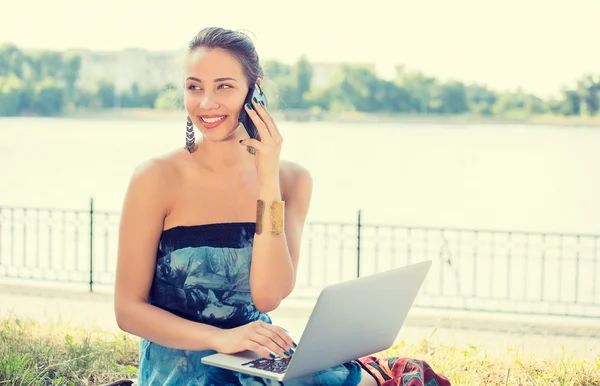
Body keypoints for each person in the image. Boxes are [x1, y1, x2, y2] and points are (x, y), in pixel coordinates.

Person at [113, 26, 451, 386]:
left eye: (223, 86)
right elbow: (128, 310)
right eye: (194, 86)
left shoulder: (292, 180)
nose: (206, 103)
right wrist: (220, 338)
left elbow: (267, 295)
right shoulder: (155, 177)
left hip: (255, 355)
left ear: (253, 89)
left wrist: (267, 181)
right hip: (179, 364)